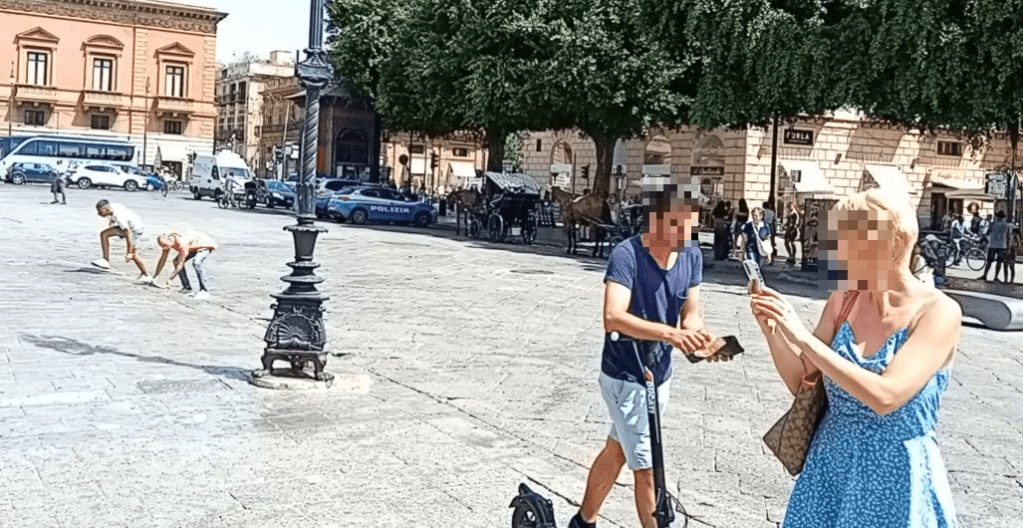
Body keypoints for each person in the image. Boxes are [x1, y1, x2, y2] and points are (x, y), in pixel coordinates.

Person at [749, 188, 960, 528]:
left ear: (891, 243)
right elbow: (802, 380)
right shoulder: (844, 300)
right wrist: (771, 328)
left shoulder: (939, 312)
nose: (836, 249)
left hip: (896, 476)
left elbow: (886, 395)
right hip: (830, 470)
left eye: (848, 238)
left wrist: (800, 335)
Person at [570, 180, 727, 528]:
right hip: (625, 373)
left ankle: (583, 522)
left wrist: (699, 335)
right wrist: (671, 334)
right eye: (682, 226)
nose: (689, 235)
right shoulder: (627, 255)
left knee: (617, 451)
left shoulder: (690, 254)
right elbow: (613, 316)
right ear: (658, 221)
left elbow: (691, 311)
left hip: (660, 373)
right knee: (647, 467)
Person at [91, 200, 152, 283]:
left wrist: (129, 252)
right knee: (104, 234)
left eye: (99, 211)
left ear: (104, 210)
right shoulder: (112, 206)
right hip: (127, 226)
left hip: (135, 230)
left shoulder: (119, 217)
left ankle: (146, 275)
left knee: (134, 255)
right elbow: (113, 217)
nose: (98, 214)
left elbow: (128, 234)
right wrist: (111, 223)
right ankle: (105, 260)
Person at [152, 231, 217, 299]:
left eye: (165, 245)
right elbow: (162, 260)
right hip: (193, 247)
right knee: (175, 261)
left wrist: (170, 279)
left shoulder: (182, 243)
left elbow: (180, 264)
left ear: (169, 240)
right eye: (162, 246)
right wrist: (156, 276)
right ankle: (187, 288)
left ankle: (204, 290)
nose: (165, 248)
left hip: (205, 245)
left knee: (196, 263)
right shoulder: (168, 243)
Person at [979, 211, 1010, 281]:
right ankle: (996, 277)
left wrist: (988, 240)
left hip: (992, 245)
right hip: (1002, 246)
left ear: (997, 217)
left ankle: (985, 275)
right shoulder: (1007, 225)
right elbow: (1008, 238)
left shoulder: (992, 224)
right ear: (1004, 218)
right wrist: (1008, 248)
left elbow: (986, 233)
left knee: (989, 261)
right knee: (999, 262)